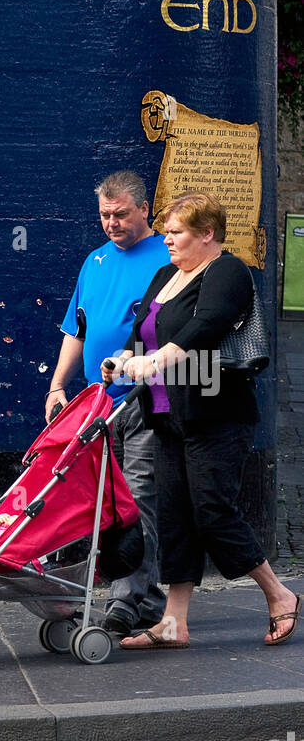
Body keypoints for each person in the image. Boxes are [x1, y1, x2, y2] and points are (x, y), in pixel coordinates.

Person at [103, 190, 300, 651]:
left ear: (207, 234)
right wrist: (122, 361)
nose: (167, 241)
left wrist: (160, 360)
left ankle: (279, 592)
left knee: (212, 511)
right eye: (167, 232)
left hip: (217, 414)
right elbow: (141, 335)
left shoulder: (227, 270)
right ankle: (173, 623)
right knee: (175, 516)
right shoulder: (165, 275)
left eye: (176, 233)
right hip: (166, 415)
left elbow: (209, 323)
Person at [46, 171, 170, 635]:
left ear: (144, 210)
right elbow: (76, 330)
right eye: (104, 215)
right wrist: (57, 386)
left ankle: (126, 599)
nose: (111, 223)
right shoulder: (94, 261)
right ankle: (144, 597)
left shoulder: (168, 257)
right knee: (106, 501)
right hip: (97, 402)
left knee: (139, 496)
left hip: (146, 396)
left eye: (120, 214)